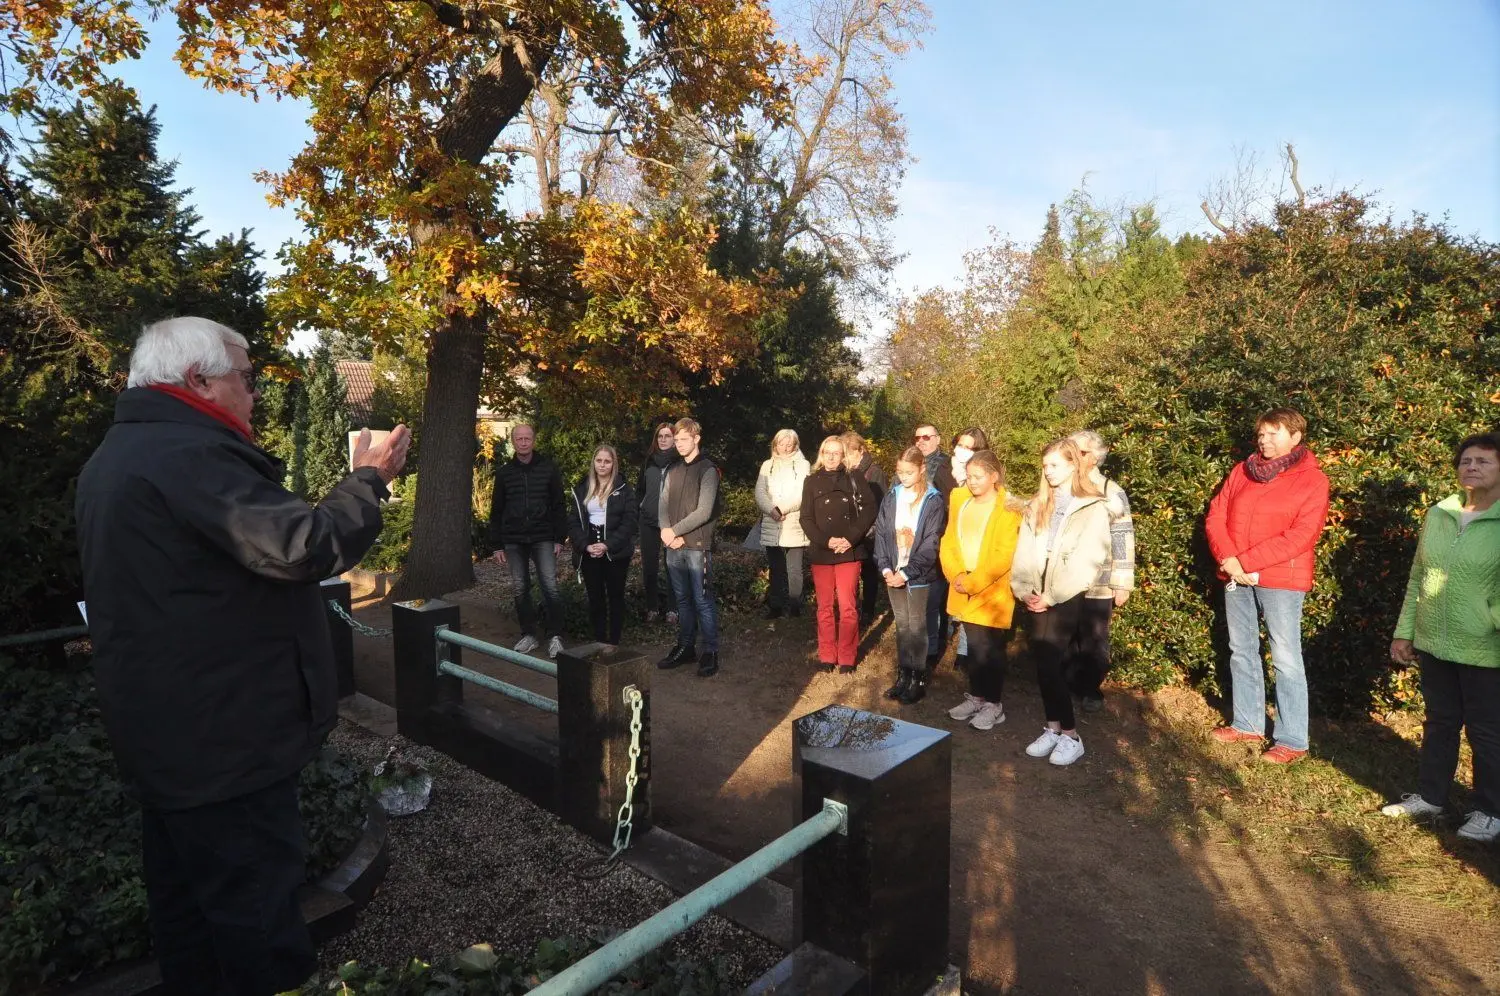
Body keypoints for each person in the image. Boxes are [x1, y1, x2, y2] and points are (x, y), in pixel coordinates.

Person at [74, 317, 410, 995]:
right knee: (257, 924)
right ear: (199, 381)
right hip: (224, 746)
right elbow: (304, 545)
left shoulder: (118, 454)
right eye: (245, 378)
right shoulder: (186, 457)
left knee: (190, 915)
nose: (254, 394)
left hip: (171, 739)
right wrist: (367, 483)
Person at [1383, 433, 1500, 842]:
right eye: (1466, 460)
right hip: (1435, 642)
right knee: (1439, 723)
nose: (1471, 467)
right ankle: (1430, 797)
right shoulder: (1440, 513)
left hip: (1486, 648)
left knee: (1487, 732)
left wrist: (1489, 620)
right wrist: (1405, 631)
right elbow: (1420, 576)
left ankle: (1490, 810)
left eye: (1483, 461)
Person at [1205, 407, 1331, 764]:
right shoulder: (1241, 472)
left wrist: (1245, 562)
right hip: (1234, 574)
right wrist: (1229, 559)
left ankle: (1292, 739)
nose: (1264, 440)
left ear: (1296, 437)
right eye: (1261, 433)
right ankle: (1247, 722)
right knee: (1241, 648)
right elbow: (1216, 514)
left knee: (1286, 658)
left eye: (1273, 433)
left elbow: (1302, 535)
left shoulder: (1313, 480)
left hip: (1281, 579)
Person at [1011, 438, 1112, 766]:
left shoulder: (1092, 505)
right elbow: (1025, 548)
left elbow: (1088, 558)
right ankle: (1053, 727)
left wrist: (1052, 596)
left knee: (1053, 661)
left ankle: (1071, 735)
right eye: (1045, 467)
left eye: (1055, 465)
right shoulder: (1039, 503)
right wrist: (1025, 589)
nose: (1049, 472)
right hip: (1037, 592)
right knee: (1042, 662)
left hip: (1065, 593)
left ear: (1073, 465)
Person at [940, 450, 1024, 731]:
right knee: (973, 649)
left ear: (994, 477)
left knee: (990, 649)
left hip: (991, 590)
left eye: (978, 477)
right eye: (969, 476)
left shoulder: (1008, 508)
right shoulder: (960, 500)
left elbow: (1004, 554)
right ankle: (976, 697)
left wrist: (974, 581)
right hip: (963, 585)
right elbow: (949, 539)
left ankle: (993, 704)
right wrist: (957, 575)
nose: (972, 482)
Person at [1066, 429, 1136, 712]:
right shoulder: (1062, 488)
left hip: (1099, 582)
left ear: (1095, 458)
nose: (1075, 457)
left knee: (1094, 639)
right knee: (1065, 635)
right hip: (1065, 582)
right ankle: (1068, 686)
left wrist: (1122, 582)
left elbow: (1123, 537)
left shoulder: (1111, 492)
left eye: (1081, 452)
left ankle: (1091, 689)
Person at [873, 447, 948, 704]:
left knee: (917, 627)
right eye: (899, 472)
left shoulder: (933, 500)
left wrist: (907, 572)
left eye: (909, 472)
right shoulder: (892, 496)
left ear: (921, 470)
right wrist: (885, 568)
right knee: (902, 626)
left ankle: (917, 678)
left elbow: (930, 544)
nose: (903, 477)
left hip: (917, 575)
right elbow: (882, 534)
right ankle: (902, 675)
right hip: (892, 572)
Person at [488, 423, 568, 659]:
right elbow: (496, 510)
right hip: (513, 539)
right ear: (513, 442)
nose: (523, 442)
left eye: (527, 438)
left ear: (534, 440)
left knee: (550, 586)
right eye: (519, 439)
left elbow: (558, 505)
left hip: (543, 536)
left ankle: (555, 636)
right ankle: (529, 634)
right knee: (520, 587)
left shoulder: (549, 469)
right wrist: (496, 545)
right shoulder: (504, 473)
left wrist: (559, 538)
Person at [800, 435, 879, 673]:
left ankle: (847, 656)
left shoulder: (854, 478)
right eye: (827, 453)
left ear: (844, 455)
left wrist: (850, 538)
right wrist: (826, 541)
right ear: (821, 455)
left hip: (849, 551)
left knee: (847, 606)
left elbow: (869, 509)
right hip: (822, 552)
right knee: (824, 606)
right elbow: (806, 517)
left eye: (837, 453)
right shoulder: (811, 481)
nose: (832, 457)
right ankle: (827, 654)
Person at [656, 418, 723, 677]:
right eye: (677, 439)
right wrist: (665, 531)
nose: (679, 444)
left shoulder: (708, 470)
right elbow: (662, 505)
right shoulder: (672, 470)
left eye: (684, 439)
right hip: (672, 545)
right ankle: (686, 647)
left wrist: (676, 531)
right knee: (682, 599)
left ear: (696, 438)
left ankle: (710, 651)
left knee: (702, 600)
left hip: (696, 545)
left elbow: (705, 511)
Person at [567, 444, 638, 653]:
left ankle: (613, 642)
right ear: (594, 462)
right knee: (595, 598)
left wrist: (607, 545)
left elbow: (630, 522)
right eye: (599, 461)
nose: (602, 465)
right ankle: (599, 639)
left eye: (607, 461)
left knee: (615, 596)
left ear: (613, 464)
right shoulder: (582, 488)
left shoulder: (624, 489)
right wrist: (585, 545)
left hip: (615, 552)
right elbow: (573, 521)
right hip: (589, 549)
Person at [913, 422, 957, 667]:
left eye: (926, 437)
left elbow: (952, 505)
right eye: (917, 437)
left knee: (936, 594)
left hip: (938, 538)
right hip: (912, 540)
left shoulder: (946, 466)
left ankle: (937, 645)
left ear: (938, 439)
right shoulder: (912, 464)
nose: (921, 441)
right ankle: (925, 643)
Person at [755, 429, 811, 619]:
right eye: (782, 444)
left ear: (795, 445)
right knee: (776, 568)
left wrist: (782, 509)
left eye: (789, 444)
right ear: (775, 444)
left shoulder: (803, 465)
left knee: (794, 568)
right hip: (772, 521)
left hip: (793, 521)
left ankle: (795, 605)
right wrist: (771, 510)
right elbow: (760, 492)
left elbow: (803, 493)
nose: (785, 448)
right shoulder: (767, 465)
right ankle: (776, 606)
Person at [947, 426, 990, 670]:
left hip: (973, 548)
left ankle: (965, 651)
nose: (962, 451)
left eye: (969, 447)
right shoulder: (945, 468)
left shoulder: (982, 479)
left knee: (970, 600)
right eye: (960, 445)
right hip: (947, 543)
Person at [636, 421, 681, 624]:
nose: (663, 439)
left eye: (667, 436)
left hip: (672, 523)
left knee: (672, 565)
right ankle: (652, 608)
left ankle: (673, 609)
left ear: (674, 439)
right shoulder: (648, 462)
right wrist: (641, 507)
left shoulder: (680, 462)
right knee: (650, 566)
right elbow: (640, 489)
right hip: (648, 521)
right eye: (660, 436)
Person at [842, 430, 888, 620]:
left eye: (848, 453)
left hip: (870, 531)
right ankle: (853, 609)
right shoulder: (846, 472)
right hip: (850, 529)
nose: (845, 458)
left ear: (860, 451)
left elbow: (879, 503)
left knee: (869, 572)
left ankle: (868, 610)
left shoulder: (874, 472)